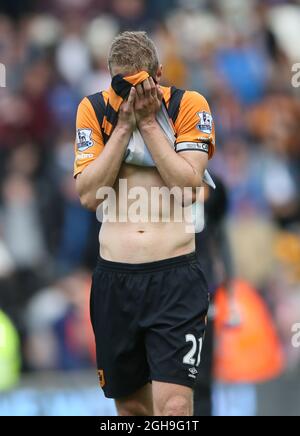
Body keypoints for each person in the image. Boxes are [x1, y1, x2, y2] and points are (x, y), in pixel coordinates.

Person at [74, 31, 216, 416]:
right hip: (115, 282)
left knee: (173, 407)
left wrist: (150, 124)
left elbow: (188, 187)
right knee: (133, 410)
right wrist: (122, 127)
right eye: (123, 85)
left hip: (173, 278)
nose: (132, 95)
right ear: (110, 79)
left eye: (141, 83)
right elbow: (88, 195)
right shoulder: (95, 109)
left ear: (159, 74)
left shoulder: (188, 104)